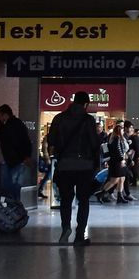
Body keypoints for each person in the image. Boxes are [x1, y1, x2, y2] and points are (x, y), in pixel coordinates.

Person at [47, 92, 103, 245]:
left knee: (66, 199)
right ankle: (80, 235)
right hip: (84, 166)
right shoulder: (88, 120)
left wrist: (55, 157)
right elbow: (94, 143)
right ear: (85, 104)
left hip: (65, 165)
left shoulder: (59, 118)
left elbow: (51, 140)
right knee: (83, 200)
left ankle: (65, 227)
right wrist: (96, 164)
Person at [0, 104, 33, 206]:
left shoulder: (9, 126)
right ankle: (14, 208)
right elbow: (25, 142)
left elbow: (10, 143)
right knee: (15, 187)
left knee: (7, 188)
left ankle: (7, 207)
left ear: (5, 115)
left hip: (11, 161)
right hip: (16, 161)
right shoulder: (17, 124)